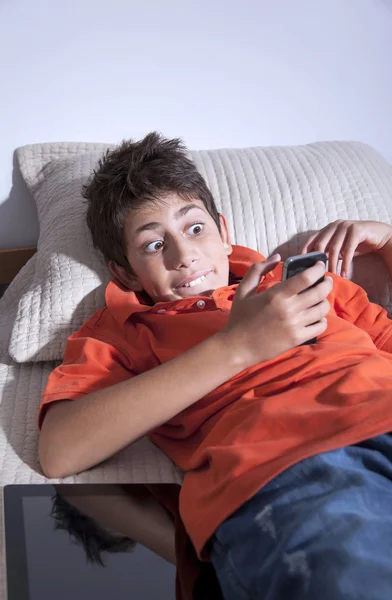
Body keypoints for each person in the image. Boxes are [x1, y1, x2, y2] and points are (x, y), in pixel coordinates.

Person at [38, 132, 392, 599]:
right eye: (152, 245)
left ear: (225, 233)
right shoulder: (121, 331)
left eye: (195, 228)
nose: (184, 256)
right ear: (124, 272)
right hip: (295, 468)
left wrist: (388, 243)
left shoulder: (306, 281)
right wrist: (237, 347)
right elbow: (60, 450)